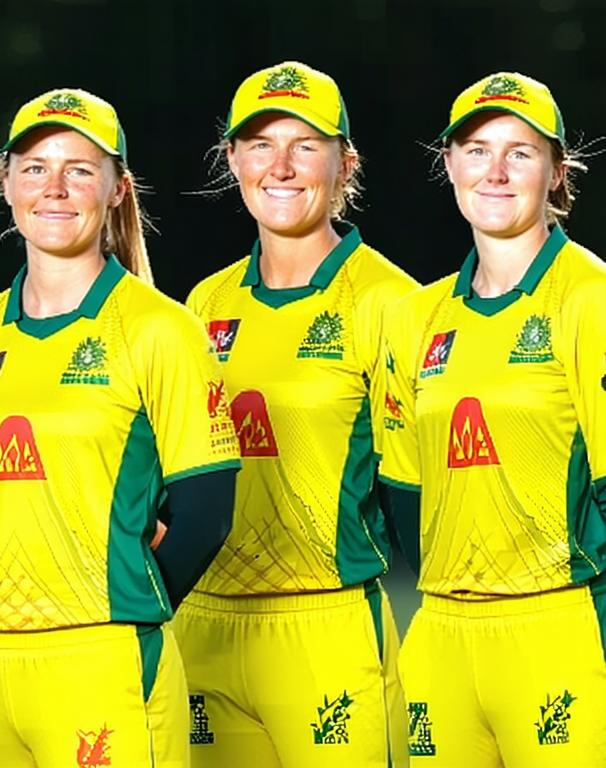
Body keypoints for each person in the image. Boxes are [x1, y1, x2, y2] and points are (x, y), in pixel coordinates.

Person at [0, 87, 240, 768]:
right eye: (34, 168)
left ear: (117, 190)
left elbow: (205, 513)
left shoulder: (161, 329)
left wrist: (126, 603)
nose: (54, 188)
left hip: (105, 654)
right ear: (6, 183)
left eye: (79, 169)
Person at [170, 61, 416, 768]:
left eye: (305, 145)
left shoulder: (393, 303)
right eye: (260, 145)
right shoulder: (204, 305)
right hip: (206, 626)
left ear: (345, 163)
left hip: (326, 624)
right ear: (233, 161)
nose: (280, 166)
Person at [378, 71, 606, 768]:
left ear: (557, 171)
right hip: (442, 634)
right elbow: (406, 492)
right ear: (450, 165)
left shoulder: (589, 296)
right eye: (477, 151)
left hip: (558, 624)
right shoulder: (415, 317)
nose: (496, 172)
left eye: (520, 152)